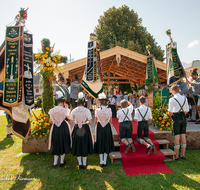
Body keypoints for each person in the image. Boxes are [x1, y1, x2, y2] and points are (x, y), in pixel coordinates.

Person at [48, 91, 71, 168]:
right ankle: (61, 162)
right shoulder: (65, 110)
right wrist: (67, 108)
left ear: (57, 102)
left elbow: (50, 121)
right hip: (63, 127)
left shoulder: (52, 110)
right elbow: (69, 118)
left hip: (55, 127)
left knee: (55, 143)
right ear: (63, 102)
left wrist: (56, 120)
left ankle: (55, 163)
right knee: (63, 142)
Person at [70, 92, 93, 169]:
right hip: (85, 128)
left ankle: (80, 164)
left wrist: (77, 122)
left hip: (77, 128)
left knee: (78, 145)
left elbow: (71, 121)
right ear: (83, 103)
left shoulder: (74, 110)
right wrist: (84, 122)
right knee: (84, 144)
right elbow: (90, 122)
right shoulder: (87, 111)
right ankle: (84, 163)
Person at [168, 85, 189, 160]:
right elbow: (187, 110)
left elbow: (170, 112)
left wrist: (172, 116)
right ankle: (183, 154)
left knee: (177, 136)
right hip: (183, 116)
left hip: (176, 116)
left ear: (173, 91)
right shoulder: (184, 98)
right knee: (183, 135)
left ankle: (176, 155)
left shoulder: (172, 99)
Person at [94, 93, 115, 167]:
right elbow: (111, 121)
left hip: (100, 127)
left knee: (100, 142)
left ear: (100, 102)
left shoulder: (97, 110)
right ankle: (105, 161)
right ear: (106, 102)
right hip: (107, 127)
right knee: (106, 142)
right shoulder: (109, 110)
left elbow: (95, 122)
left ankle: (101, 161)